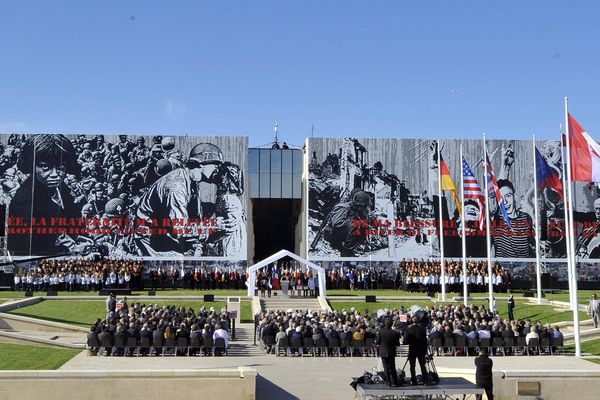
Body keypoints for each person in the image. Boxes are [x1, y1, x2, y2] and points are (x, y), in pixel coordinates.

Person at [7, 134, 81, 256]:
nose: (55, 174)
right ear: (32, 165)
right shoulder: (23, 202)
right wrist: (68, 250)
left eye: (60, 167)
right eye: (45, 167)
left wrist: (79, 237)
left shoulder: (64, 190)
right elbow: (25, 251)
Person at [322, 190, 371, 256]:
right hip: (332, 234)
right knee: (355, 225)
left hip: (343, 231)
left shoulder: (358, 210)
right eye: (364, 206)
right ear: (357, 205)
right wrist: (354, 221)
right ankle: (346, 252)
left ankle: (356, 247)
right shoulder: (343, 208)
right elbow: (337, 224)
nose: (365, 208)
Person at [376, 317, 401, 387]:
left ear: (384, 323)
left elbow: (377, 342)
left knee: (386, 368)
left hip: (383, 352)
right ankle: (395, 382)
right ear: (392, 324)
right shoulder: (394, 333)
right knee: (393, 367)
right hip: (391, 352)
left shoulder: (381, 331)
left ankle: (388, 382)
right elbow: (397, 344)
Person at [403, 316, 429, 385]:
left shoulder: (409, 329)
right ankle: (425, 380)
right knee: (423, 366)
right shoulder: (423, 329)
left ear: (412, 321)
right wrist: (425, 351)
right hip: (421, 350)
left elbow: (406, 341)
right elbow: (425, 341)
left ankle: (413, 380)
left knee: (412, 366)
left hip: (412, 349)